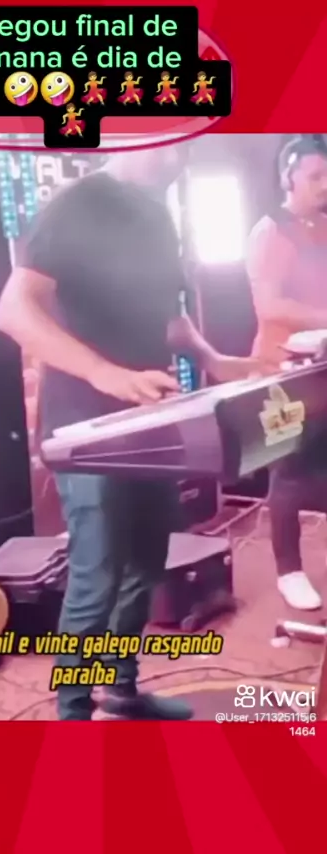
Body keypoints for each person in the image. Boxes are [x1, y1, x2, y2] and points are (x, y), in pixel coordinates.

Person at [0, 147, 258, 721]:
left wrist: (214, 359)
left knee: (145, 563)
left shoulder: (159, 212)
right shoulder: (77, 204)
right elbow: (13, 311)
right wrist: (103, 373)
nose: (183, 152)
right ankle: (72, 712)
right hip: (87, 429)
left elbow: (170, 317)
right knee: (98, 574)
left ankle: (121, 690)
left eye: (189, 142)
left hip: (151, 425)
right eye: (173, 140)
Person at [247, 136, 327, 611]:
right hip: (280, 371)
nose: (325, 185)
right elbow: (269, 305)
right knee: (288, 473)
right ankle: (288, 571)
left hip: (322, 364)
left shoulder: (324, 226)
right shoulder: (270, 231)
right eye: (315, 177)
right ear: (287, 178)